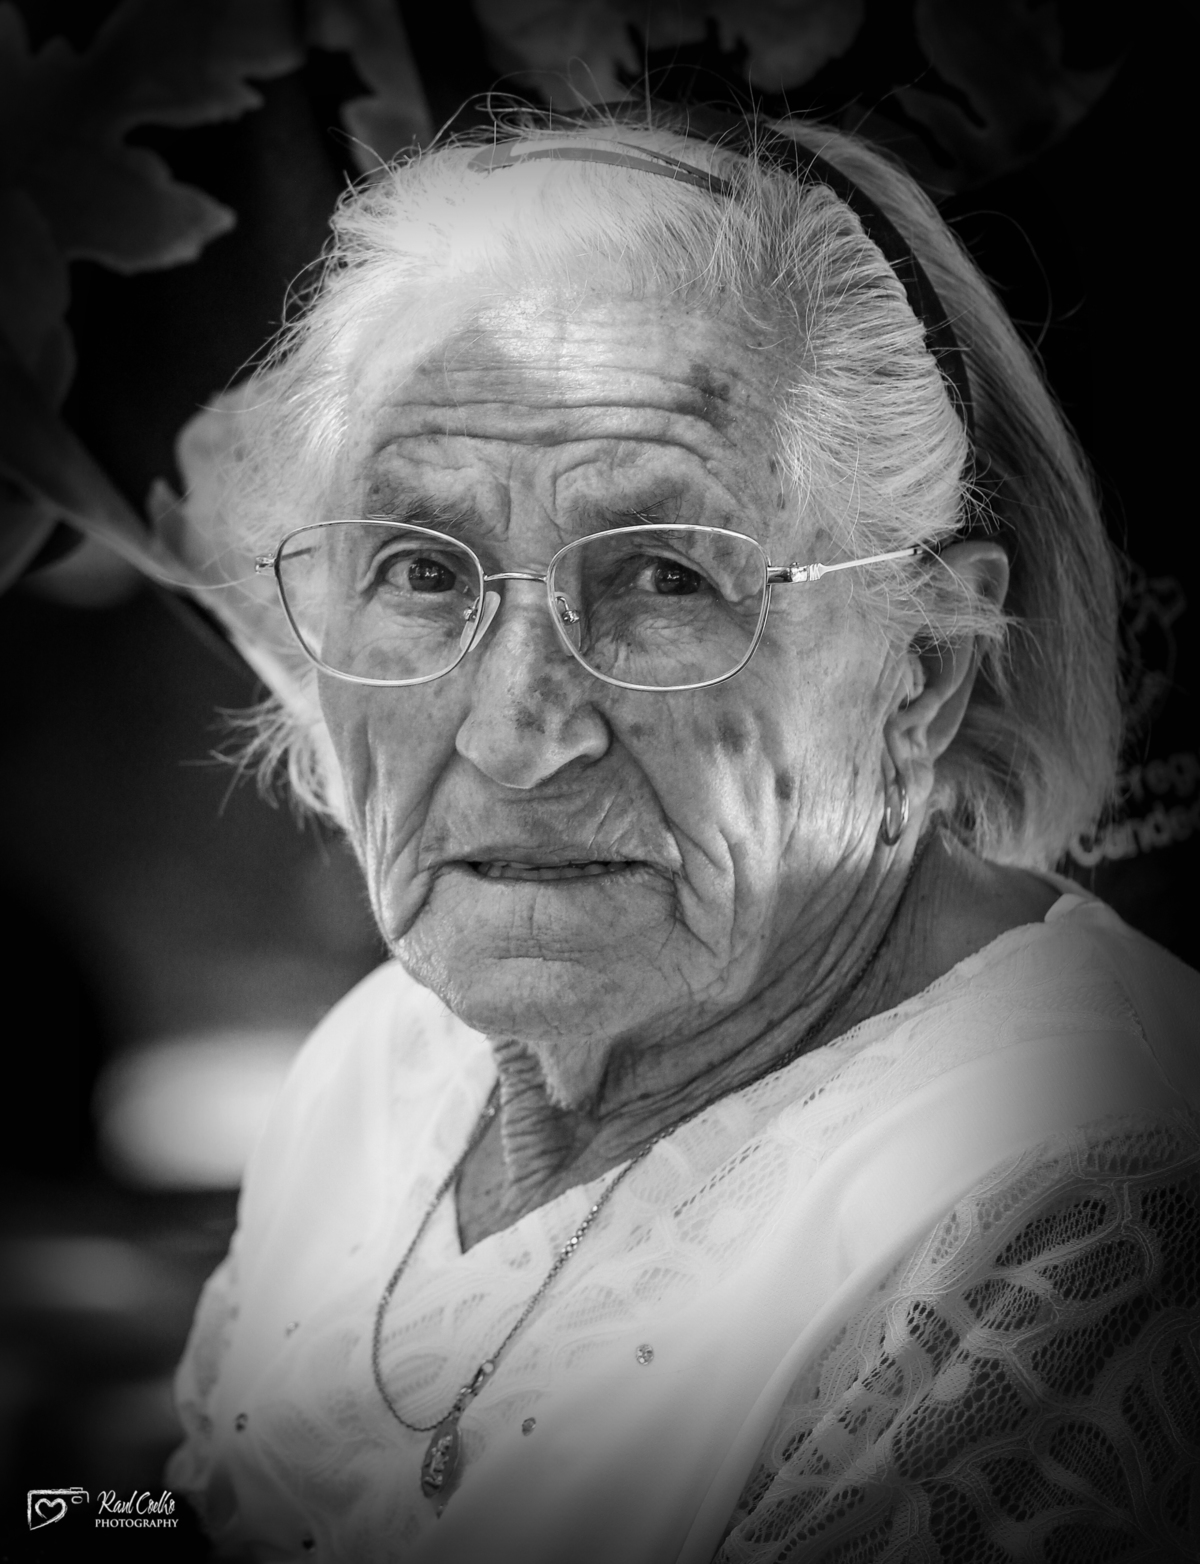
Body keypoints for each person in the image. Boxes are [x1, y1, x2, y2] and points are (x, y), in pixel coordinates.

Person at [162, 104, 1200, 1562]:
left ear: (924, 667)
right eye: (422, 570)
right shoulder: (383, 1060)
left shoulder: (1077, 1199)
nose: (517, 730)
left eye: (662, 576)